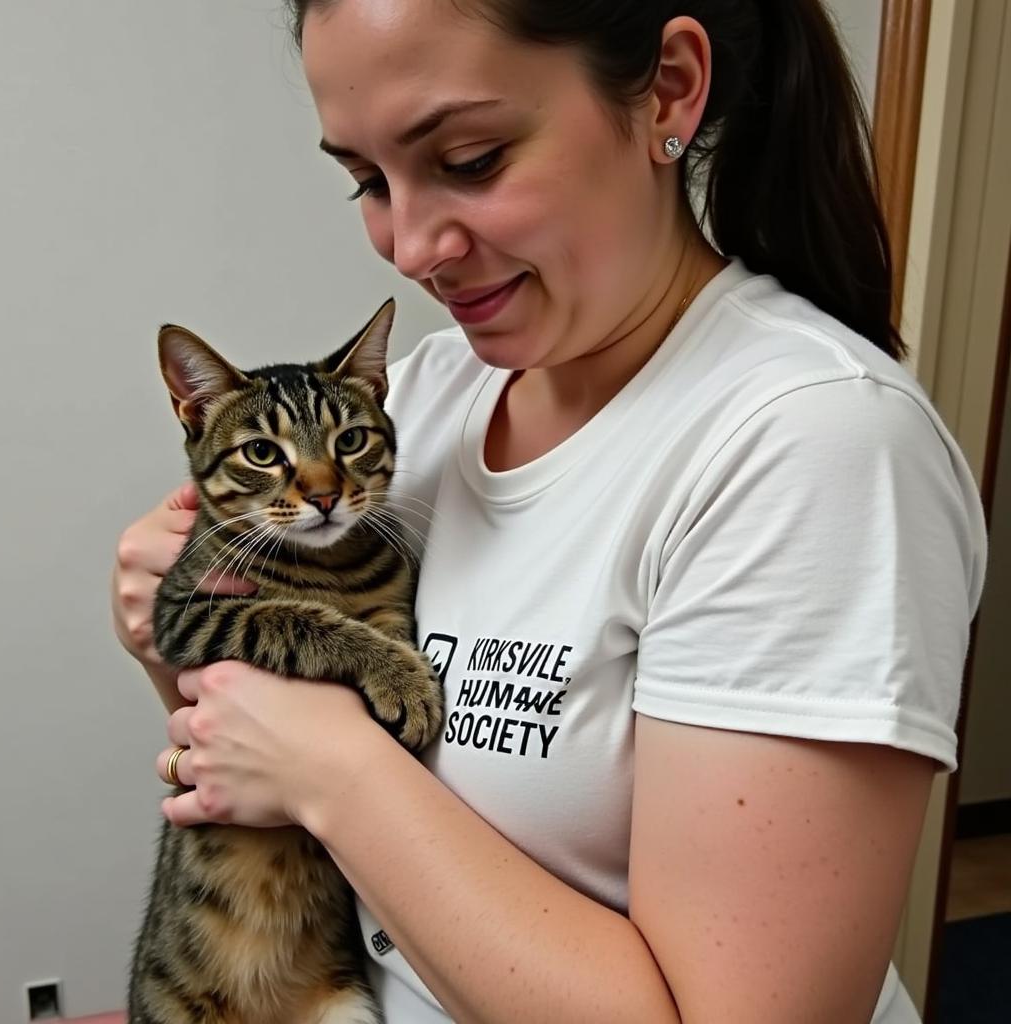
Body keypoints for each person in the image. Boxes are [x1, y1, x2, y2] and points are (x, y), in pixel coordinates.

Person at [111, 1, 988, 1021]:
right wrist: (163, 633)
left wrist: (334, 772)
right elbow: (249, 751)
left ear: (667, 88)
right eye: (365, 179)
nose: (407, 245)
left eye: (471, 158)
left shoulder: (810, 447)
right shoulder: (431, 396)